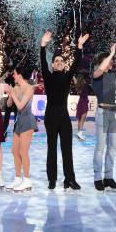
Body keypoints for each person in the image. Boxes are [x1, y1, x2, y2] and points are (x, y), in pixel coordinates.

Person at [40, 30, 89, 190]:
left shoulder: (67, 76)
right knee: (52, 149)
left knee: (67, 149)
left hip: (64, 118)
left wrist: (80, 46)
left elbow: (76, 63)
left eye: (62, 60)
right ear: (53, 64)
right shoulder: (48, 76)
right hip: (51, 116)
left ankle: (69, 179)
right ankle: (52, 179)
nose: (60, 62)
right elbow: (42, 61)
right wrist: (43, 45)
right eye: (57, 61)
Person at [91, 40, 116, 191]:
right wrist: (112, 53)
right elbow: (101, 69)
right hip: (102, 112)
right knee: (100, 147)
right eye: (108, 61)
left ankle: (108, 177)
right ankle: (97, 178)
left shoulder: (115, 75)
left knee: (112, 147)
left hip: (115, 112)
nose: (111, 63)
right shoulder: (96, 74)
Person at [5, 65, 38, 192]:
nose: (12, 76)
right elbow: (9, 104)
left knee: (23, 151)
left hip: (28, 121)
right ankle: (18, 178)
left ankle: (27, 180)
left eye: (14, 74)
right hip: (19, 122)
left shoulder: (29, 89)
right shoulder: (16, 87)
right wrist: (10, 94)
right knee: (14, 150)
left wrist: (12, 93)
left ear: (19, 75)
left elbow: (20, 106)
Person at [75, 76, 90, 141]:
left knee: (80, 119)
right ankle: (80, 135)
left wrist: (73, 78)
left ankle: (79, 135)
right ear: (83, 80)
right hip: (84, 103)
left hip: (80, 102)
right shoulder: (85, 86)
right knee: (82, 120)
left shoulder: (78, 86)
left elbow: (75, 81)